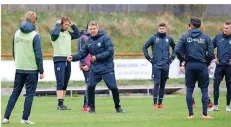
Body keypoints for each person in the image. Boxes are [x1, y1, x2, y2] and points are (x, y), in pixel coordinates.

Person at [67, 21, 126, 113]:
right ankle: (91, 108)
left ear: (97, 29)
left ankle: (118, 107)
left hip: (107, 68)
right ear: (88, 30)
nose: (92, 30)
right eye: (90, 29)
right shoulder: (89, 41)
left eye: (94, 28)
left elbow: (110, 51)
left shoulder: (106, 38)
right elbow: (82, 53)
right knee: (90, 86)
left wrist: (97, 57)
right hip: (95, 69)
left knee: (113, 87)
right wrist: (73, 57)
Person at [2, 11, 44, 124]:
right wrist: (41, 70)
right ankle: (25, 119)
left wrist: (18, 63)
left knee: (15, 92)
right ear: (34, 20)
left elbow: (13, 51)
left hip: (19, 68)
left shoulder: (16, 33)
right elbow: (38, 55)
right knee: (29, 94)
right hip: (31, 69)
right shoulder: (35, 35)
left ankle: (5, 118)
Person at [175, 18, 214, 119]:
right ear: (199, 26)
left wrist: (183, 60)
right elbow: (211, 53)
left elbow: (177, 50)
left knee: (189, 90)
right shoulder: (206, 37)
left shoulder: (185, 36)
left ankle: (191, 114)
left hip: (190, 66)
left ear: (191, 26)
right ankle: (204, 114)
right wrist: (208, 62)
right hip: (202, 65)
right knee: (204, 89)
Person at [142, 23, 175, 109]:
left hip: (166, 65)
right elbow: (144, 47)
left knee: (163, 84)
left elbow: (176, 48)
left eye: (163, 28)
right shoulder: (153, 38)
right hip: (156, 65)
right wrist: (149, 58)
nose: (161, 30)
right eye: (160, 28)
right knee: (156, 83)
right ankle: (155, 103)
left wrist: (171, 59)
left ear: (166, 29)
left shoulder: (169, 38)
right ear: (158, 29)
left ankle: (160, 103)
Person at [50, 17, 80, 110]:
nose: (67, 26)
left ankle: (62, 104)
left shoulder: (68, 33)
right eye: (65, 24)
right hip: (59, 60)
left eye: (68, 25)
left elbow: (77, 34)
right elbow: (55, 34)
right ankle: (59, 104)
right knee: (60, 81)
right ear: (61, 24)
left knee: (65, 83)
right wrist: (58, 24)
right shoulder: (54, 32)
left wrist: (73, 25)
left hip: (68, 60)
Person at [208, 21, 231, 112]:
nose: (225, 30)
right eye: (224, 28)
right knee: (216, 84)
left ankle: (228, 106)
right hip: (219, 66)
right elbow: (210, 47)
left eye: (227, 28)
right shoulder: (218, 37)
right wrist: (213, 58)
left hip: (229, 67)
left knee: (229, 86)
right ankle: (216, 106)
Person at [78, 23, 91, 112]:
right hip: (85, 65)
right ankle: (86, 105)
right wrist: (83, 64)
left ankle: (88, 105)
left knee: (91, 84)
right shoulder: (82, 38)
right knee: (89, 84)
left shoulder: (96, 37)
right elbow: (80, 52)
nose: (92, 30)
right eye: (91, 28)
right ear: (87, 28)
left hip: (94, 64)